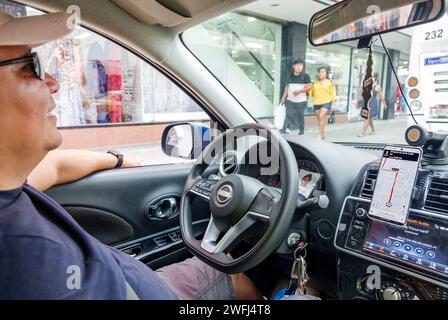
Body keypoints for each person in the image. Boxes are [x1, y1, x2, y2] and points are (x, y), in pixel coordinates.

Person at [0, 10, 261, 300]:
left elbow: (58, 165)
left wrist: (120, 160)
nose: (53, 82)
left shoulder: (8, 183)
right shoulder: (24, 266)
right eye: (31, 66)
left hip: (136, 279)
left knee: (224, 270)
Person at [280, 59, 312, 135]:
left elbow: (310, 86)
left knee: (300, 116)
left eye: (301, 65)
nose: (299, 67)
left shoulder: (305, 76)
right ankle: (283, 130)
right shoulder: (290, 75)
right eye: (297, 65)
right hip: (290, 100)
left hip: (301, 101)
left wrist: (299, 91)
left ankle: (301, 131)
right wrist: (283, 97)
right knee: (288, 114)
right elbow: (287, 86)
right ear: (293, 66)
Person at [358, 72, 388, 137]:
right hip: (366, 102)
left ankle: (362, 132)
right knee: (369, 118)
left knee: (367, 118)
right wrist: (357, 101)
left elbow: (381, 96)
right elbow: (361, 93)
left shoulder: (377, 87)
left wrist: (384, 104)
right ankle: (373, 130)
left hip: (372, 103)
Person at [311, 67, 337, 140]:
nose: (320, 73)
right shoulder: (315, 83)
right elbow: (312, 94)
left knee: (321, 116)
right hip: (316, 103)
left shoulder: (329, 82)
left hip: (326, 102)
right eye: (320, 72)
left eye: (322, 72)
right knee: (319, 119)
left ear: (326, 74)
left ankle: (320, 134)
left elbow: (333, 93)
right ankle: (323, 134)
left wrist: (334, 103)